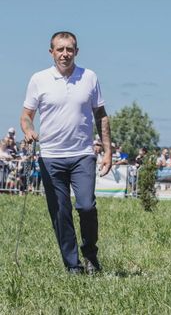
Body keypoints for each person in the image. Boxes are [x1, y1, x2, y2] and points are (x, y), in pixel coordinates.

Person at [20, 31, 112, 274]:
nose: (65, 54)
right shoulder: (38, 79)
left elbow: (101, 115)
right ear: (51, 52)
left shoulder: (89, 77)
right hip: (51, 157)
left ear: (76, 52)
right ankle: (73, 265)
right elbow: (26, 116)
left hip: (82, 154)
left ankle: (90, 254)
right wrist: (29, 130)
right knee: (61, 213)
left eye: (69, 49)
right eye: (60, 49)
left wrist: (108, 152)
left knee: (86, 207)